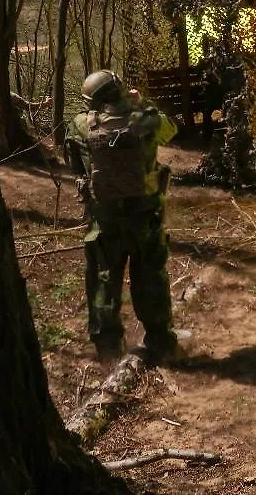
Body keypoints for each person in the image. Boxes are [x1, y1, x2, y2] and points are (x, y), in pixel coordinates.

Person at [64, 69, 183, 364]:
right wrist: (141, 104)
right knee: (150, 277)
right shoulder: (146, 120)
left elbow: (73, 163)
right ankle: (161, 343)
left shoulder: (81, 125)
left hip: (105, 221)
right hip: (146, 218)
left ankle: (107, 350)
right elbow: (171, 130)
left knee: (104, 279)